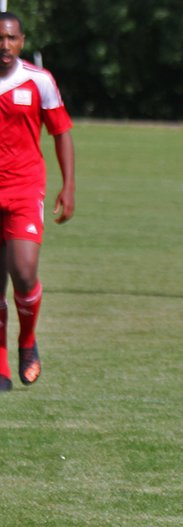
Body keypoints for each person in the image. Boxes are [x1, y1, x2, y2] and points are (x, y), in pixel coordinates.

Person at [0, 11, 74, 391]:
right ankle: (0, 364)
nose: (4, 45)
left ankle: (26, 341)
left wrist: (69, 186)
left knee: (24, 272)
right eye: (0, 37)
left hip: (25, 189)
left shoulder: (39, 80)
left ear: (21, 41)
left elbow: (61, 132)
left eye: (11, 38)